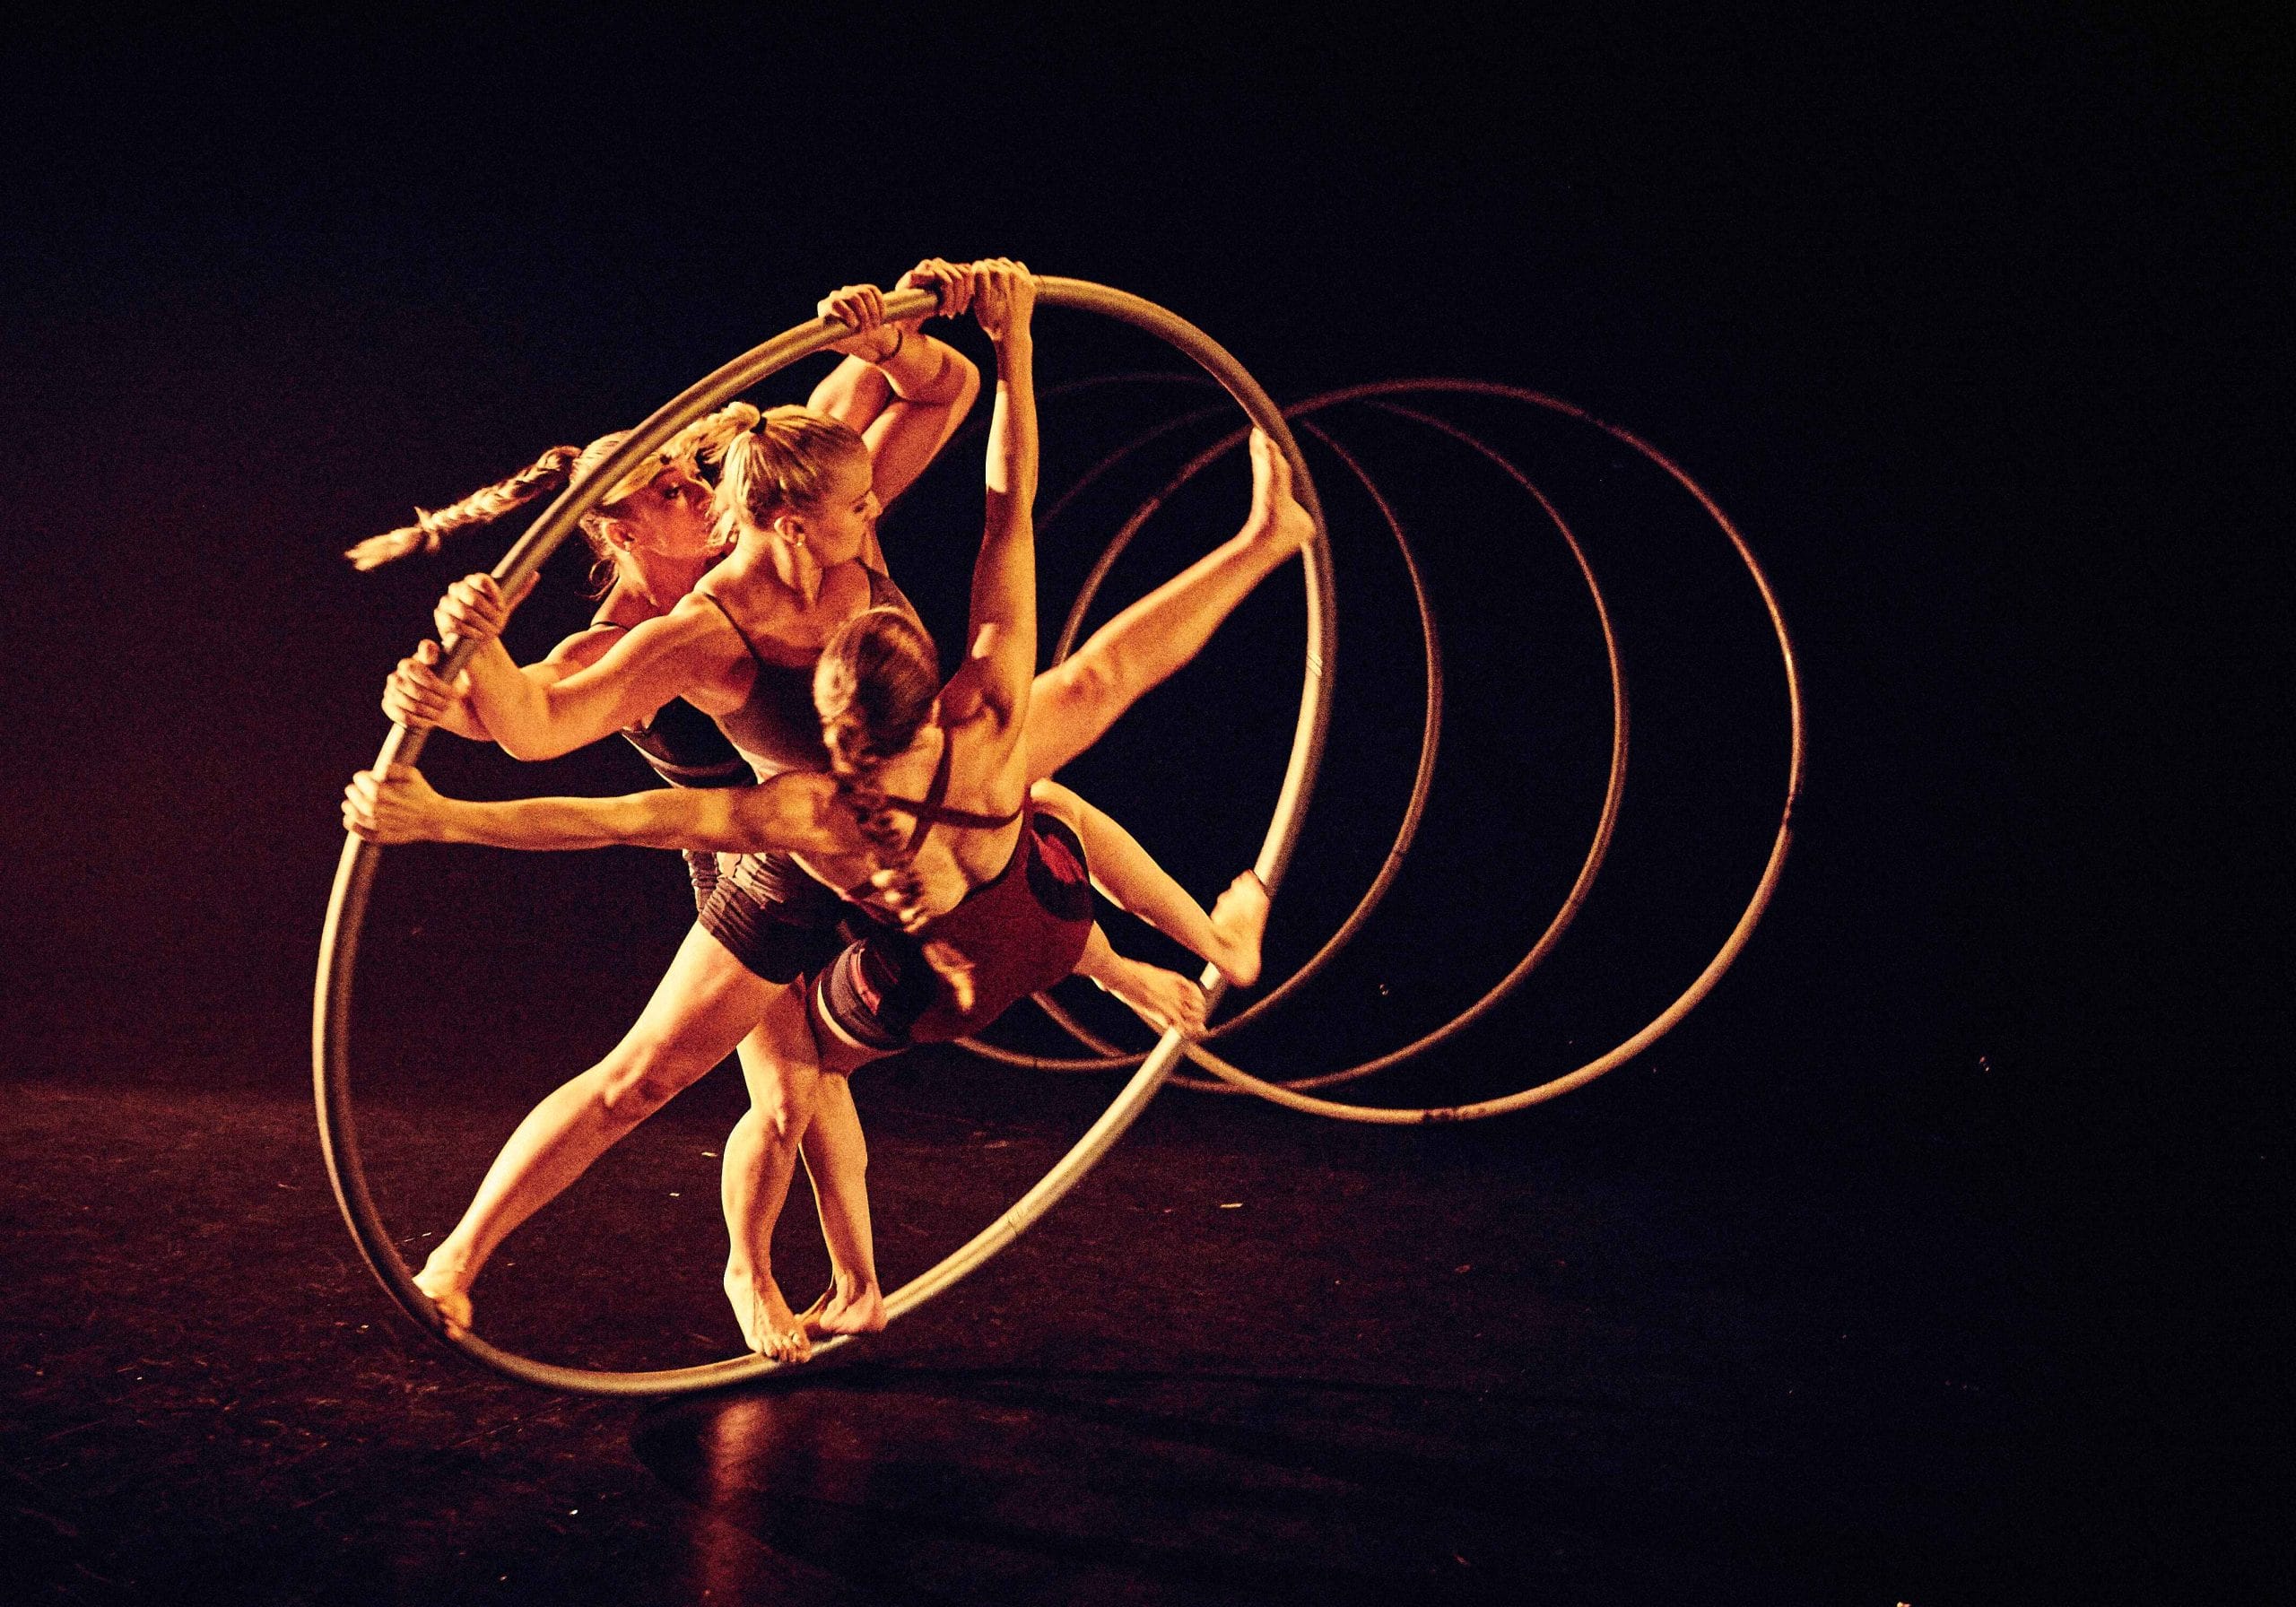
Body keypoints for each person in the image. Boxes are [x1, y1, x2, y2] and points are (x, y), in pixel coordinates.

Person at [352, 262, 1314, 1359]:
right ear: (620, 533)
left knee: (1064, 754)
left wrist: (893, 337)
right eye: (665, 491)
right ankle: (474, 1262)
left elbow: (956, 424)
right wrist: (466, 653)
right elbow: (542, 737)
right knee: (680, 1083)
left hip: (907, 790)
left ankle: (1146, 950)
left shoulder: (800, 478)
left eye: (684, 473)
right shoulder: (683, 636)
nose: (690, 489)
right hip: (789, 846)